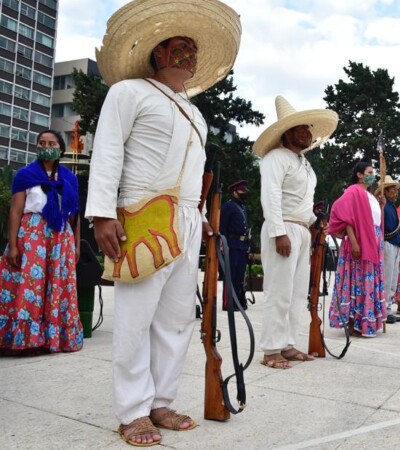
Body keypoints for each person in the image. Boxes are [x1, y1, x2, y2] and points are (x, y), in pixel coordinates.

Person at [86, 1, 241, 444]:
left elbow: (193, 172)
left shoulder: (196, 114)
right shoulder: (128, 92)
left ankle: (161, 401)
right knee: (135, 318)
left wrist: (199, 218)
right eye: (179, 47)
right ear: (158, 53)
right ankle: (132, 410)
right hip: (139, 215)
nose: (188, 55)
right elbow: (109, 152)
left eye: (193, 49)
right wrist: (101, 213)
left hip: (187, 222)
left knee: (176, 318)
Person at [252, 95, 338, 369]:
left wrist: (315, 220)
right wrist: (278, 232)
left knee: (299, 292)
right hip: (283, 227)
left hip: (301, 230)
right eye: (300, 128)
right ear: (286, 133)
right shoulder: (275, 158)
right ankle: (271, 350)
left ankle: (288, 343)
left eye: (308, 129)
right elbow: (271, 196)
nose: (307, 133)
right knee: (279, 291)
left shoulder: (304, 163)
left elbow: (302, 202)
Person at [0, 130, 83, 355]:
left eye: (52, 143)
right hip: (31, 236)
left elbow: (74, 215)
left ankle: (52, 339)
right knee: (30, 287)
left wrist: (77, 244)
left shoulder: (69, 177)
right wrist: (13, 244)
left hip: (60, 236)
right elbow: (16, 210)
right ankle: (26, 341)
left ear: (60, 148)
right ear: (37, 146)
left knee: (57, 286)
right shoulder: (25, 175)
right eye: (42, 142)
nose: (47, 146)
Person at [328, 162, 386, 337]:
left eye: (373, 172)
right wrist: (354, 242)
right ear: (360, 175)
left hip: (374, 241)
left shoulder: (370, 196)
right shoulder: (353, 191)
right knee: (357, 282)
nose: (372, 175)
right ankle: (353, 320)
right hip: (360, 241)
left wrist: (381, 206)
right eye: (369, 172)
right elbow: (346, 219)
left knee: (368, 281)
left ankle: (366, 319)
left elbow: (377, 222)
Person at [220, 180, 250, 310]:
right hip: (231, 244)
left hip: (242, 245)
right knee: (230, 274)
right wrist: (223, 244)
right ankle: (229, 303)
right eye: (242, 191)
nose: (245, 193)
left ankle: (238, 300)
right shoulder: (229, 206)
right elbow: (223, 226)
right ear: (234, 192)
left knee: (239, 274)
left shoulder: (243, 207)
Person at [381, 176, 400, 324]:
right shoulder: (382, 205)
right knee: (387, 279)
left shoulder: (392, 206)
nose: (395, 193)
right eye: (393, 190)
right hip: (387, 243)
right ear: (386, 191)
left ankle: (389, 308)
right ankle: (384, 310)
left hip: (395, 244)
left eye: (396, 190)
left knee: (393, 279)